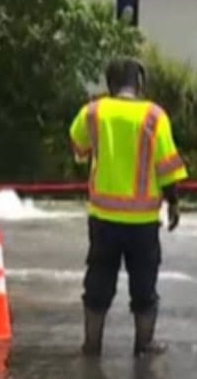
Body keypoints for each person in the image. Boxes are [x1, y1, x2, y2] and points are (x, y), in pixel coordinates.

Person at [69, 57, 188, 357]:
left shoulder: (93, 112)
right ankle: (144, 344)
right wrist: (173, 204)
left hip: (103, 218)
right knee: (144, 285)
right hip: (143, 221)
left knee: (97, 283)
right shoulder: (154, 116)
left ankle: (91, 344)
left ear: (109, 84)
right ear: (140, 84)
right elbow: (167, 167)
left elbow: (78, 148)